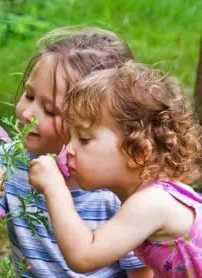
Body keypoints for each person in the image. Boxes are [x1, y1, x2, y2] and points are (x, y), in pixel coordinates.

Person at [0, 27, 153, 277]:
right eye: (29, 95)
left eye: (50, 111)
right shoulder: (9, 164)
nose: (28, 113)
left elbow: (139, 271)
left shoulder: (115, 186)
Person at [29, 61, 202, 277]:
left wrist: (54, 188)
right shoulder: (155, 197)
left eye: (83, 139)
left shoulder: (152, 202)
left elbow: (84, 257)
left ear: (137, 153)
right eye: (70, 137)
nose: (69, 149)